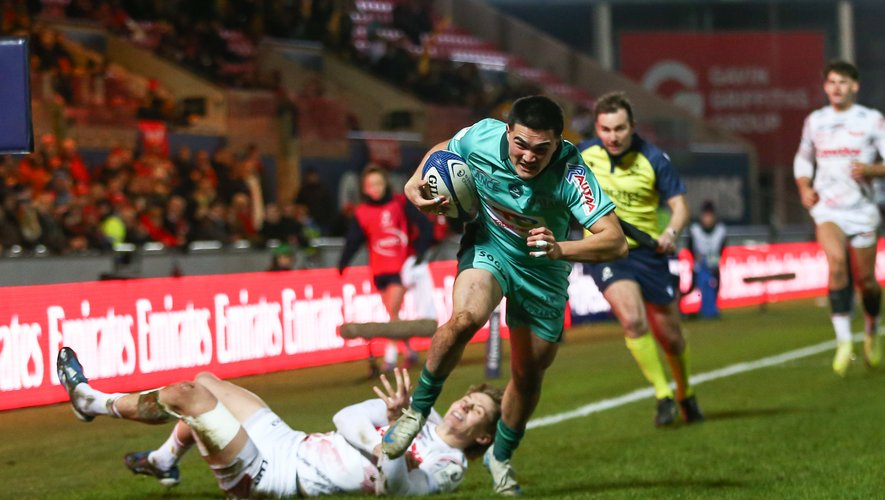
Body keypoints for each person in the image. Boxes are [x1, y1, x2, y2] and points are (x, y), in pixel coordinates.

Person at [384, 95, 627, 495]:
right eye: (521, 144)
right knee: (464, 320)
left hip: (543, 270)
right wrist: (414, 182)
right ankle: (417, 411)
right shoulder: (482, 135)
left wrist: (560, 248)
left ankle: (500, 455)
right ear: (508, 131)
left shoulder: (572, 173)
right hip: (490, 247)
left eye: (541, 149)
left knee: (528, 375)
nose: (529, 157)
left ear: (558, 143)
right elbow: (446, 148)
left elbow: (615, 241)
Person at [56, 347, 502, 497]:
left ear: (482, 437)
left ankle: (90, 400)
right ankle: (163, 460)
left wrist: (392, 444)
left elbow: (397, 490)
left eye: (476, 411)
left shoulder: (449, 467)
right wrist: (387, 427)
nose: (464, 407)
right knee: (206, 383)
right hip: (290, 442)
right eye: (469, 399)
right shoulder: (416, 413)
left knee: (188, 398)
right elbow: (344, 418)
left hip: (277, 478)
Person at [578, 91, 703, 428]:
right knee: (633, 320)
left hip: (649, 253)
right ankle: (663, 396)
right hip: (605, 251)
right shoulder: (581, 155)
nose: (613, 137)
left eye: (619, 128)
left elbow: (680, 207)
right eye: (605, 129)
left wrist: (670, 234)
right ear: (596, 128)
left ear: (632, 126)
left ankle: (685, 392)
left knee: (671, 336)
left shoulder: (654, 158)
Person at [794, 60, 885, 376]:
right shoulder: (815, 121)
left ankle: (872, 328)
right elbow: (803, 158)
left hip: (861, 211)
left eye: (843, 82)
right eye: (831, 82)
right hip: (828, 210)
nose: (836, 87)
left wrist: (871, 169)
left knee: (867, 282)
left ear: (854, 86)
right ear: (825, 87)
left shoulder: (872, 120)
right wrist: (804, 187)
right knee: (835, 265)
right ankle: (844, 341)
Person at [338, 165, 435, 374]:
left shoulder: (400, 203)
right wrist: (343, 263)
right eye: (371, 184)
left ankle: (390, 360)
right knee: (393, 315)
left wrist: (420, 252)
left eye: (378, 183)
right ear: (364, 188)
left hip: (400, 268)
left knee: (392, 311)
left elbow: (425, 225)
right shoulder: (361, 213)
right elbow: (353, 241)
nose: (375, 188)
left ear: (385, 184)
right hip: (378, 270)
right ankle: (409, 351)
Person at [688, 200, 728, 318]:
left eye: (710, 216)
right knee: (699, 286)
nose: (707, 219)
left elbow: (722, 249)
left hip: (714, 266)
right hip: (699, 266)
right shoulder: (695, 229)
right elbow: (690, 248)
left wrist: (714, 262)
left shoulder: (721, 230)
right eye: (705, 215)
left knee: (713, 286)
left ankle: (711, 310)